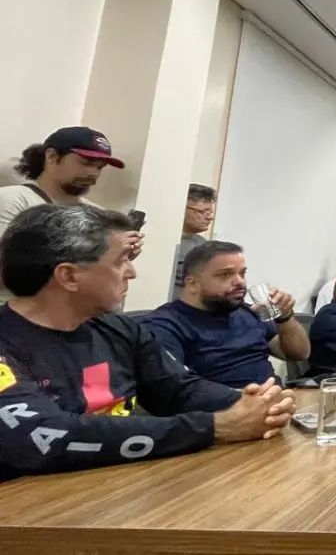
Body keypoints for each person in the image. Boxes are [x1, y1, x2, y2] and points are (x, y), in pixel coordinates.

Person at [0, 206, 295, 480]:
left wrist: (258, 406)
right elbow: (41, 435)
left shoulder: (118, 328)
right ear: (69, 275)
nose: (132, 271)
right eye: (120, 261)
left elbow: (179, 388)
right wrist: (215, 427)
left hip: (113, 490)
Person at [143, 241, 310, 389]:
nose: (240, 282)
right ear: (192, 284)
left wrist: (285, 318)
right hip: (222, 416)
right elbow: (173, 389)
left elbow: (298, 354)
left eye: (242, 273)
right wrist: (249, 399)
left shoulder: (247, 311)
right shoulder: (165, 324)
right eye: (225, 274)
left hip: (274, 403)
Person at [0, 127, 138, 301]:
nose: (93, 173)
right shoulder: (12, 199)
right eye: (86, 162)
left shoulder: (99, 215)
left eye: (100, 167)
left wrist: (117, 257)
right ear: (51, 157)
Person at [171, 184, 216, 300]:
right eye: (203, 212)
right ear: (183, 208)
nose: (209, 217)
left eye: (210, 212)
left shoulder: (205, 246)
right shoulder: (162, 240)